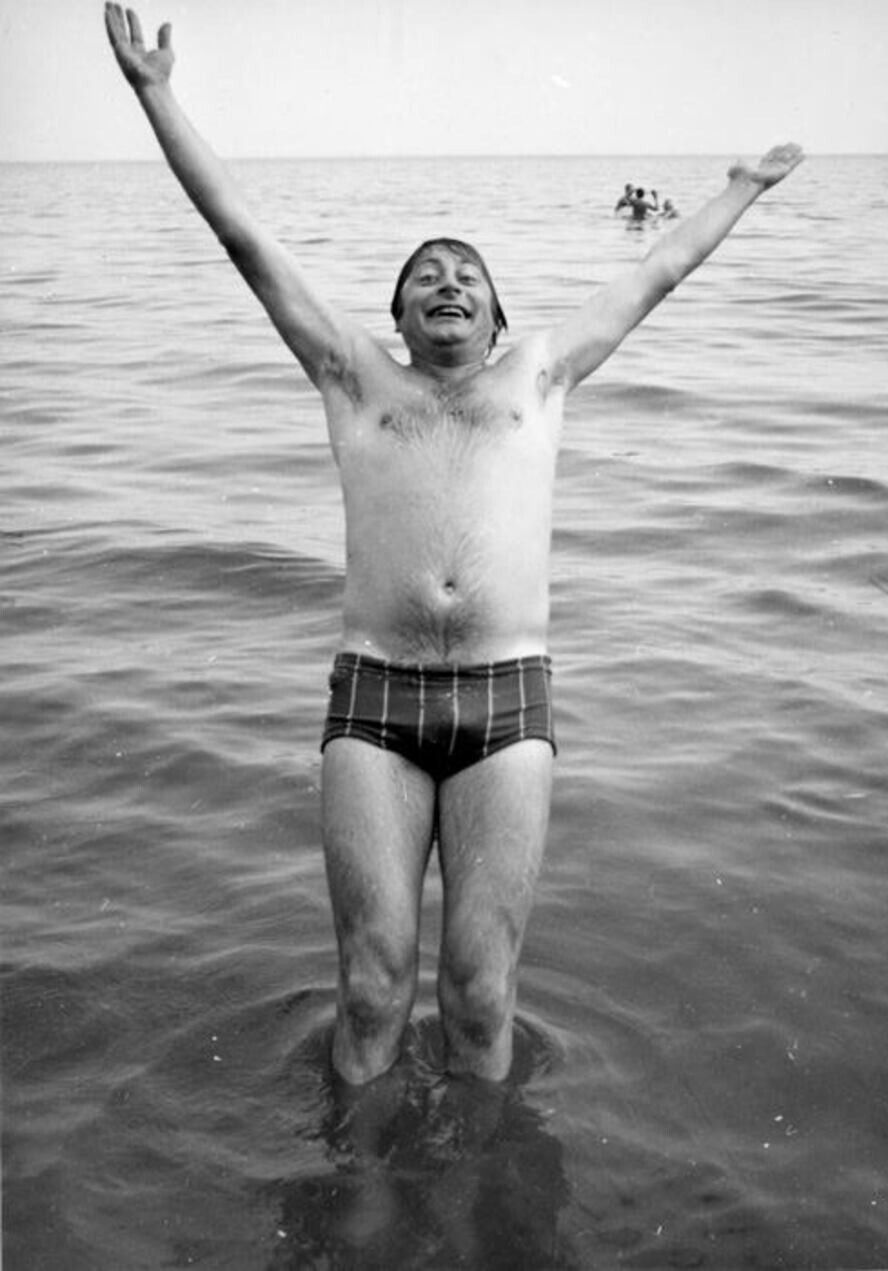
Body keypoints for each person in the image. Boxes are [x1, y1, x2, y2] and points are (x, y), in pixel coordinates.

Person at [104, 4, 803, 1086]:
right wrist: (156, 95)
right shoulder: (354, 380)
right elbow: (244, 237)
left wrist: (742, 189)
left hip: (507, 697)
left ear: (497, 316)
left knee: (480, 993)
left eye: (467, 272)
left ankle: (481, 1185)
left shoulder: (541, 378)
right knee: (372, 985)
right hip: (375, 697)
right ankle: (362, 1184)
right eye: (426, 272)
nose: (447, 281)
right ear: (394, 313)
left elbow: (657, 274)